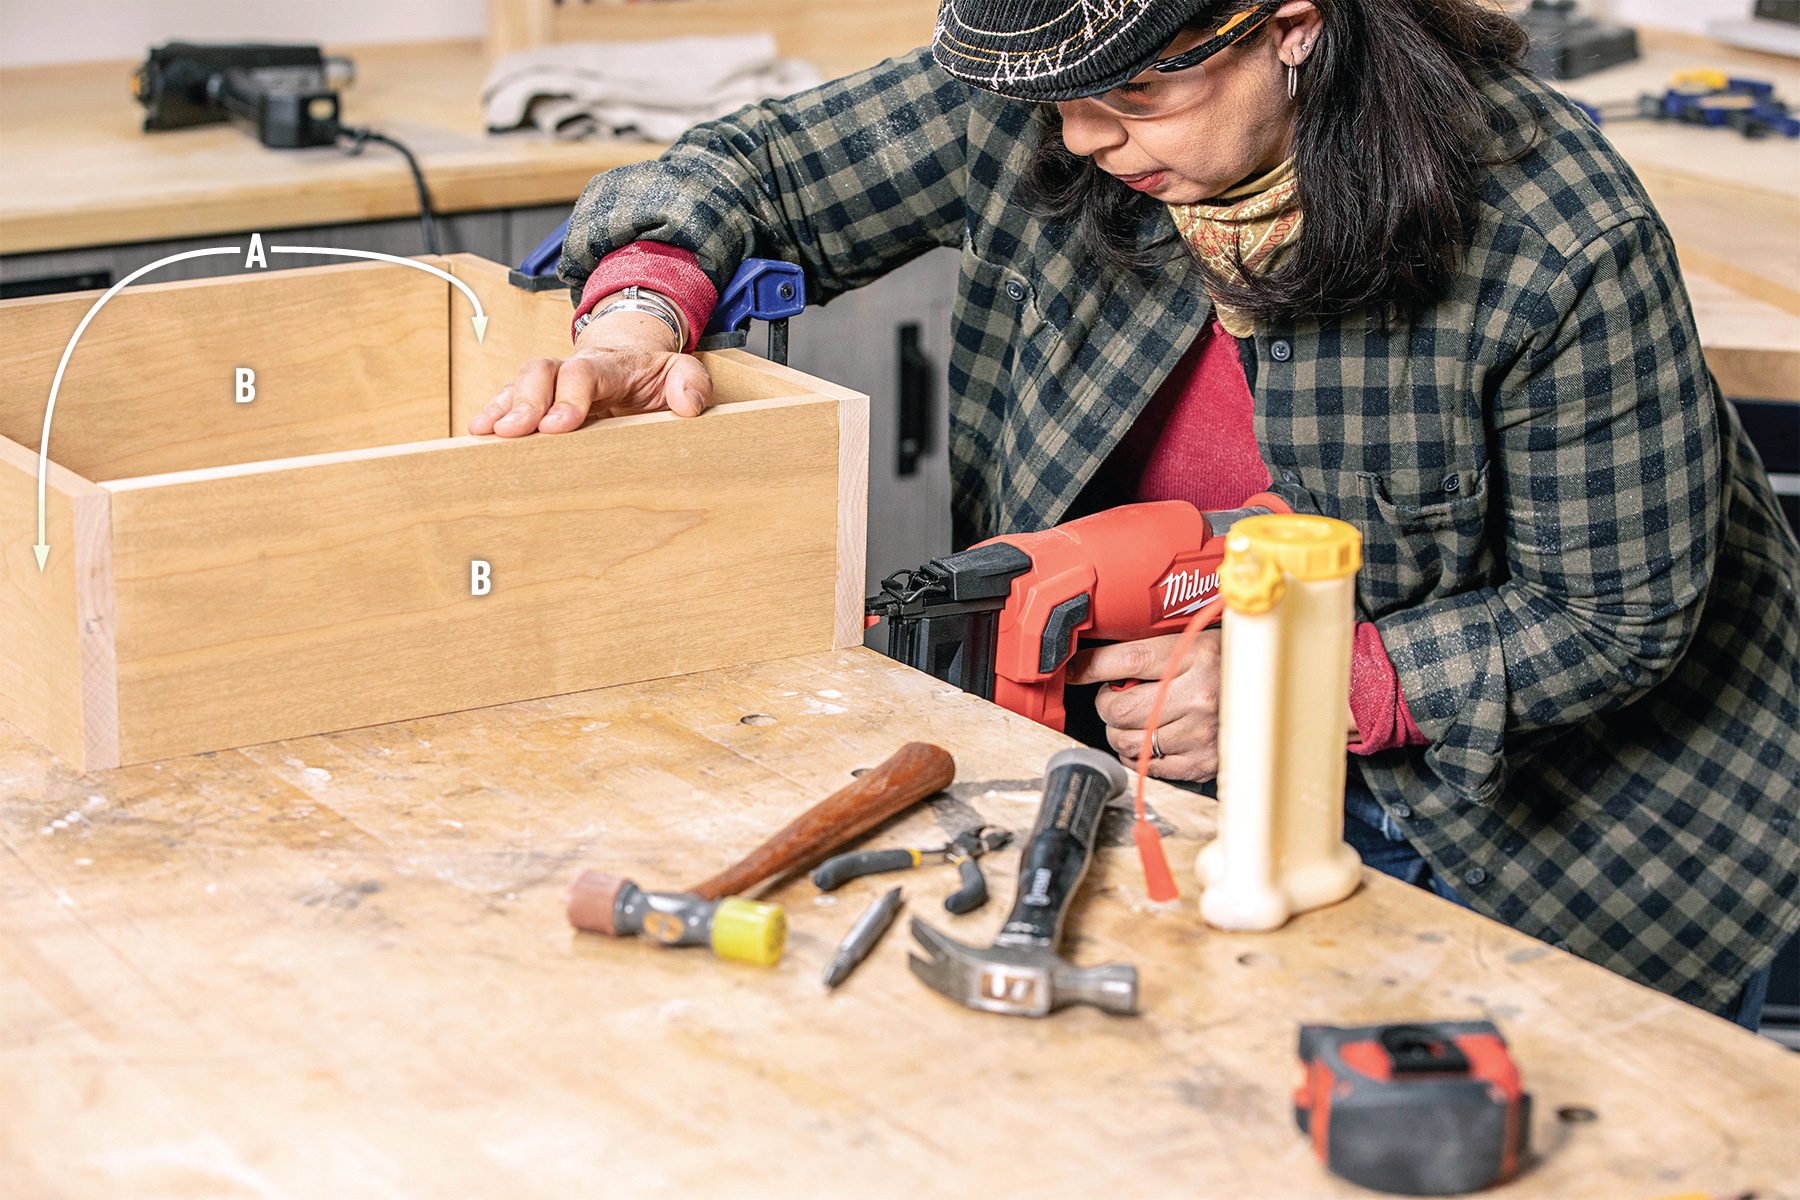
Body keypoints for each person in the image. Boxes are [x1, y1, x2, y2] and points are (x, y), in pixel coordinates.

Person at [473, 0, 1800, 1027]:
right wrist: (641, 317)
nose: (1080, 139)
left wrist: (1296, 685)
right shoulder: (1061, 77)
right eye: (1060, 98)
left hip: (1557, 836)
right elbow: (748, 166)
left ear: (1292, 28)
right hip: (1165, 785)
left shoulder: (1548, 224)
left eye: (1139, 95)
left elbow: (1616, 615)